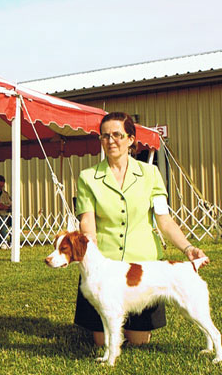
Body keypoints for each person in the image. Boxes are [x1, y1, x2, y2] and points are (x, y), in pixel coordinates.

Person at [75, 112, 209, 347]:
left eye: (117, 134)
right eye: (105, 136)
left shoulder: (151, 174)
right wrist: (90, 248)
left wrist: (188, 248)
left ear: (130, 139)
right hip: (106, 269)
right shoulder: (88, 177)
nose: (111, 141)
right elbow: (87, 221)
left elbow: (164, 220)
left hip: (144, 271)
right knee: (101, 342)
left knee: (138, 343)